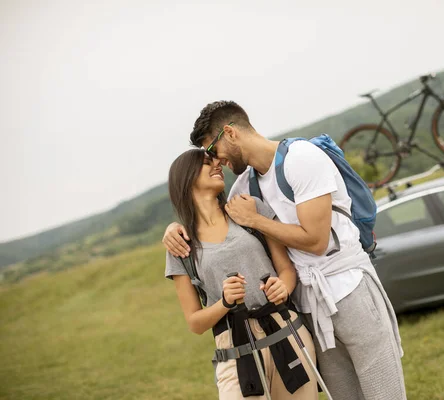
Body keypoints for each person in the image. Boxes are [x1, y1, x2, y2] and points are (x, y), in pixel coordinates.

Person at [163, 101, 407, 400]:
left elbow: (316, 241)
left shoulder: (301, 159)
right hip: (307, 303)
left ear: (230, 133)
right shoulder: (243, 189)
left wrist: (256, 220)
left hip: (349, 286)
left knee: (385, 393)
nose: (216, 161)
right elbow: (214, 219)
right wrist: (174, 228)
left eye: (213, 150)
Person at [164, 147, 318, 399]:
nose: (217, 165)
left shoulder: (248, 209)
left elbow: (286, 270)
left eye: (216, 160)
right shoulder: (181, 244)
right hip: (234, 352)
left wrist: (284, 287)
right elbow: (195, 323)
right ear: (186, 177)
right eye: (206, 162)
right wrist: (224, 303)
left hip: (285, 330)